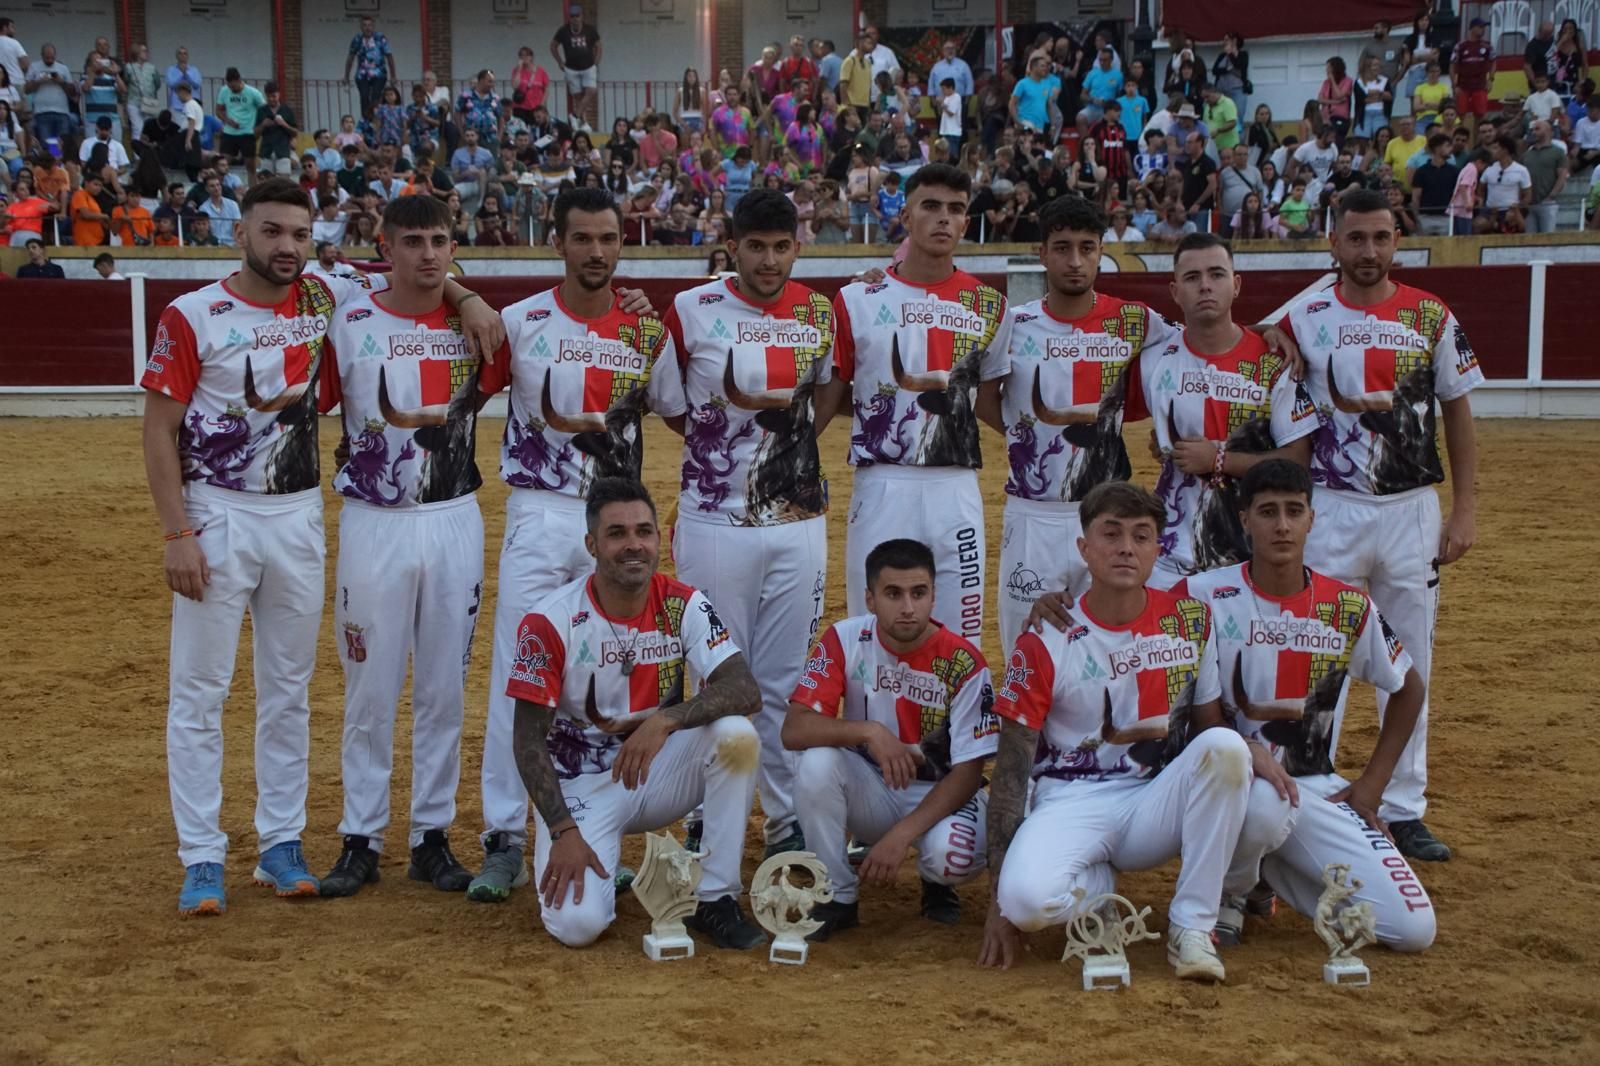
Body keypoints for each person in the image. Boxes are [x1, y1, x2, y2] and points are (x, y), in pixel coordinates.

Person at [139, 177, 502, 917]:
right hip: (226, 513)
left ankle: (288, 843)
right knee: (203, 694)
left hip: (312, 514)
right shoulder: (202, 313)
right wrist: (176, 532)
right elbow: (156, 429)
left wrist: (465, 296)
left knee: (295, 689)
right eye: (271, 232)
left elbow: (424, 272)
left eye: (299, 235)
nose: (286, 247)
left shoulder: (324, 295)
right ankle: (212, 854)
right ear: (241, 232)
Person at [466, 187, 683, 902]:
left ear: (622, 244)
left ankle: (594, 824)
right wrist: (466, 295)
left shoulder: (646, 332)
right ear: (558, 243)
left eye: (608, 239)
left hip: (614, 516)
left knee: (606, 677)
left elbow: (680, 411)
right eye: (582, 238)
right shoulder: (522, 322)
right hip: (538, 514)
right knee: (521, 676)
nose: (596, 251)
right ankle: (503, 835)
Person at [1276, 187, 1481, 862]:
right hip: (1330, 507)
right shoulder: (1303, 314)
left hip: (1410, 511)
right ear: (1332, 243)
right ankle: (1311, 788)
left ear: (1398, 242)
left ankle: (1403, 804)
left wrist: (1465, 509)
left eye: (1380, 238)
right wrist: (1273, 340)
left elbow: (1457, 409)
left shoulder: (1431, 314)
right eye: (1355, 238)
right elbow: (1247, 345)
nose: (1368, 251)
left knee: (1413, 656)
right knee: (1318, 653)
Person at [978, 480, 1249, 981]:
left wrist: (1251, 756)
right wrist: (997, 902)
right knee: (1026, 902)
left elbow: (1210, 725)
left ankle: (1192, 926)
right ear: (1084, 548)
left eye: (1142, 536)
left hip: (1153, 802)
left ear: (1158, 548)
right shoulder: (1044, 636)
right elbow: (1012, 771)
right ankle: (1096, 883)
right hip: (1070, 801)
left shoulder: (1191, 621)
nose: (1126, 547)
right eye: (1112, 534)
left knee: (1228, 748)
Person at [1183, 460, 1437, 952]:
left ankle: (1261, 876)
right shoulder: (1202, 594)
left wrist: (1371, 787)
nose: (1281, 525)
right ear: (1244, 519)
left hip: (1316, 788)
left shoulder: (1348, 605)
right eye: (1267, 511)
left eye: (1293, 511)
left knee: (1413, 930)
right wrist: (1057, 602)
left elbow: (1408, 688)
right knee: (1258, 801)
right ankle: (1230, 891)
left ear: (1311, 520)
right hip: (1232, 787)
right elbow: (1125, 614)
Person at [503, 478, 766, 950]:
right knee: (577, 926)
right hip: (579, 785)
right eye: (617, 533)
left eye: (644, 532)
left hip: (655, 770)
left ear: (659, 541)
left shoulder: (683, 603)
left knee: (736, 737)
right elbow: (526, 740)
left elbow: (745, 689)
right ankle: (582, 852)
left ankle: (716, 897)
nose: (634, 545)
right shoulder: (549, 620)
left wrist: (665, 721)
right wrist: (562, 830)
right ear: (591, 544)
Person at [313, 195, 489, 899]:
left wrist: (464, 295)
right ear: (384, 245)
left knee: (444, 688)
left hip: (453, 517)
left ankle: (430, 836)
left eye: (439, 240)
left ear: (454, 247)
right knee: (370, 687)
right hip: (373, 519)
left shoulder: (475, 323)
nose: (426, 253)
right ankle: (360, 835)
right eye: (412, 240)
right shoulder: (346, 319)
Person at [656, 187, 838, 857]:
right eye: (755, 246)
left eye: (781, 247)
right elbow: (673, 407)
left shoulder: (818, 311)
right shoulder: (691, 308)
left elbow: (826, 394)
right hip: (712, 523)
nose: (768, 260)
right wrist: (722, 450)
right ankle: (708, 816)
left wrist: (779, 453)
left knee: (787, 678)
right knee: (717, 677)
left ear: (797, 246)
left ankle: (786, 822)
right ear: (732, 245)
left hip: (797, 522)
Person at [830, 163, 1008, 644]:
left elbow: (989, 400)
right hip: (883, 481)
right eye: (931, 207)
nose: (943, 219)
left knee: (962, 630)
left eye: (955, 209)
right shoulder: (857, 298)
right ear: (905, 217)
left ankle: (958, 722)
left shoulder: (992, 306)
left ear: (967, 223)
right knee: (872, 629)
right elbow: (839, 394)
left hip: (957, 484)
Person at [784, 537, 996, 938]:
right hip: (872, 788)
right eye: (893, 594)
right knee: (816, 764)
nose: (908, 608)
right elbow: (794, 728)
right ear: (870, 598)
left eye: (919, 593)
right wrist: (868, 730)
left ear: (934, 596)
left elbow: (969, 772)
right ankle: (838, 896)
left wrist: (900, 837)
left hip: (941, 792)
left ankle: (937, 883)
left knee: (950, 859)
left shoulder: (964, 662)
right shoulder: (845, 639)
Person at [993, 196, 1177, 648]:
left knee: (1112, 647)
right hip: (1034, 513)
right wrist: (1027, 433)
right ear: (1042, 254)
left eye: (1087, 248)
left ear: (1101, 252)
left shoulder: (1135, 321)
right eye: (1062, 248)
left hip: (1109, 514)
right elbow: (979, 397)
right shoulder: (1012, 325)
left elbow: (1197, 347)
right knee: (1027, 647)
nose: (1075, 261)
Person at [1143, 233, 1316, 587]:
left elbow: (1298, 458)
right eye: (1192, 278)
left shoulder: (1273, 363)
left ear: (1236, 285)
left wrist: (1218, 460)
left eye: (1216, 275)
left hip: (1251, 557)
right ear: (1175, 291)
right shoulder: (1152, 358)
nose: (1205, 286)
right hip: (1170, 559)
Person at [551, 4, 601, 132]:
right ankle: (583, 123)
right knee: (578, 96)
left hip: (588, 67)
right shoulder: (563, 30)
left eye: (577, 16)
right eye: (572, 16)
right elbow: (553, 45)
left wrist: (596, 62)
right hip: (571, 68)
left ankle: (574, 116)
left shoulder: (590, 30)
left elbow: (598, 46)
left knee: (591, 91)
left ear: (581, 16)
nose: (575, 19)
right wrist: (560, 62)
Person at [215, 69, 264, 182]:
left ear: (239, 81)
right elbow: (218, 110)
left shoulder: (253, 93)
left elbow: (264, 110)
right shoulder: (224, 91)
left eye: (234, 87)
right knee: (222, 164)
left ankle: (253, 193)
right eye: (230, 87)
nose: (232, 89)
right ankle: (220, 189)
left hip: (247, 133)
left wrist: (257, 126)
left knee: (250, 166)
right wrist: (228, 120)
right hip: (229, 132)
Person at [345, 15, 395, 120]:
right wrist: (346, 76)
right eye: (364, 25)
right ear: (361, 27)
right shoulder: (357, 39)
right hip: (362, 74)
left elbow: (389, 56)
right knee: (364, 96)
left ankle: (376, 118)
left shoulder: (380, 38)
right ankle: (366, 120)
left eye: (370, 25)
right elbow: (351, 57)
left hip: (379, 73)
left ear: (373, 26)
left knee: (375, 96)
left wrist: (393, 75)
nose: (367, 28)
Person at [24, 44, 74, 148]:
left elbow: (72, 92)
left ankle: (60, 162)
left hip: (62, 112)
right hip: (42, 112)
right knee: (48, 143)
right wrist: (39, 81)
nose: (50, 60)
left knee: (62, 143)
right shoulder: (34, 67)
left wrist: (61, 81)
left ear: (55, 55)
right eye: (47, 58)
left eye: (52, 57)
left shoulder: (63, 68)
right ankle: (51, 161)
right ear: (42, 55)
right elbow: (26, 89)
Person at [1523, 120, 1568, 234]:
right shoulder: (1527, 154)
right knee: (1529, 240)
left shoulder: (1557, 152)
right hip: (1529, 203)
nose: (1533, 132)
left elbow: (1562, 176)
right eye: (1533, 129)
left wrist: (1552, 195)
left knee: (1548, 239)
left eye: (1537, 129)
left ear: (1549, 131)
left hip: (1547, 203)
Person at [1480, 135, 1532, 232]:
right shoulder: (1489, 169)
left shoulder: (1521, 170)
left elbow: (1528, 196)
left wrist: (1516, 208)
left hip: (1510, 210)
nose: (1492, 151)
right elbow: (1481, 189)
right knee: (1478, 224)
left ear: (1505, 150)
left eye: (1496, 148)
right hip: (1491, 210)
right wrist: (1483, 203)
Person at [1411, 133, 1459, 236]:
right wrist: (1417, 218)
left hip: (1446, 217)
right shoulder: (1421, 171)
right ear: (1437, 148)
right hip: (1425, 218)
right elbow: (1416, 197)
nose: (1451, 149)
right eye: (1447, 146)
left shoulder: (1454, 171)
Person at [1451, 19, 1496, 124]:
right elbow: (1452, 66)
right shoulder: (1460, 46)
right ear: (1472, 28)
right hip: (1463, 86)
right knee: (1461, 117)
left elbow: (1493, 62)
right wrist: (1455, 85)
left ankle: (1478, 140)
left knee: (1481, 117)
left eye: (1484, 27)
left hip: (1480, 86)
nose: (1483, 30)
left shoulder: (1487, 45)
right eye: (1480, 27)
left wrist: (1491, 80)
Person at [1217, 142, 1263, 237]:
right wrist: (1221, 210)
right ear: (1234, 156)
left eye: (1245, 154)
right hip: (1228, 215)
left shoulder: (1255, 171)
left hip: (1249, 216)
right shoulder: (1224, 173)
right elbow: (1219, 193)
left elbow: (1260, 192)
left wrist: (1258, 209)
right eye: (1239, 154)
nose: (1242, 157)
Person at [253, 83, 298, 179]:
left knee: (284, 182)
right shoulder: (261, 111)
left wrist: (284, 124)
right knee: (265, 181)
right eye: (268, 96)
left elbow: (295, 133)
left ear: (279, 94)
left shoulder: (287, 110)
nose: (271, 99)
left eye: (274, 96)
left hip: (283, 151)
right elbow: (255, 135)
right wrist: (263, 125)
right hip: (266, 151)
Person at [1010, 53, 1060, 135]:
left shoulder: (1047, 85)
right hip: (1025, 122)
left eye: (1046, 66)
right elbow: (1012, 104)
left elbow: (1049, 105)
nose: (1046, 68)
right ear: (1033, 67)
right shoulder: (1022, 83)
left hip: (1040, 126)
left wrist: (1053, 126)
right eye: (1042, 66)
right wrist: (1018, 122)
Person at [1176, 130, 1218, 227]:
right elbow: (1183, 181)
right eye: (1187, 142)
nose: (1187, 145)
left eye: (1190, 142)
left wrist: (1198, 203)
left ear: (1199, 143)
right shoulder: (1187, 162)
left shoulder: (1207, 162)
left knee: (1198, 236)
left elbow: (1212, 185)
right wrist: (1179, 200)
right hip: (1186, 206)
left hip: (1201, 208)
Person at [1447, 147, 1488, 235]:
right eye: (1484, 166)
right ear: (1480, 161)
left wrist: (1476, 199)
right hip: (1462, 211)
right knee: (1465, 239)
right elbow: (1463, 186)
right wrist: (1467, 203)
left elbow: (1466, 189)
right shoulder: (1472, 170)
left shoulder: (1468, 168)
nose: (1484, 169)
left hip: (1458, 209)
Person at [1317, 57, 1354, 143]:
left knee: (1337, 140)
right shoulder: (1326, 83)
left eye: (1329, 68)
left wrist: (1332, 80)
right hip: (1326, 118)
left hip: (1339, 117)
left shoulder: (1347, 81)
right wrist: (1336, 102)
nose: (1327, 70)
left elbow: (1339, 95)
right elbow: (1320, 99)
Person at [70, 173, 111, 247]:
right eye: (96, 184)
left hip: (96, 240)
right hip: (85, 241)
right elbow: (86, 215)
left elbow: (99, 219)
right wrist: (104, 216)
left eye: (100, 186)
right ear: (86, 183)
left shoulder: (93, 200)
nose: (98, 188)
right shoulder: (79, 194)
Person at [1411, 62, 1450, 131]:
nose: (1434, 74)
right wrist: (1436, 105)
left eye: (1436, 71)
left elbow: (1445, 106)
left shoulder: (1444, 87)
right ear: (1427, 73)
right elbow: (1416, 107)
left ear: (1439, 72)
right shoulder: (1419, 88)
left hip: (1440, 118)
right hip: (1422, 118)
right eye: (1431, 71)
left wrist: (1427, 104)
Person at [165, 46, 202, 112]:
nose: (182, 55)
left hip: (192, 105)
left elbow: (197, 85)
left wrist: (186, 75)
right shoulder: (171, 69)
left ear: (188, 56)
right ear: (176, 56)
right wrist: (181, 74)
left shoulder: (194, 70)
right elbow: (171, 84)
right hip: (177, 106)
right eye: (180, 53)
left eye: (185, 53)